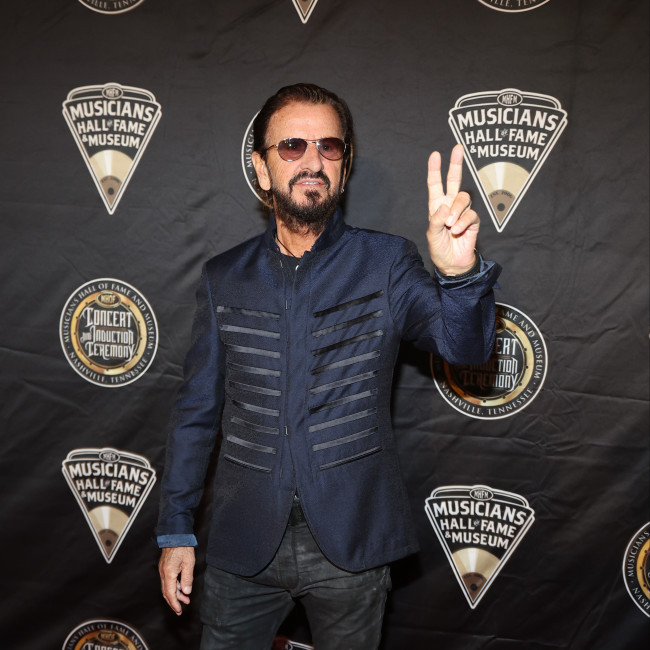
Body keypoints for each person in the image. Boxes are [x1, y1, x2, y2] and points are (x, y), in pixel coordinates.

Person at [156, 82, 501, 650]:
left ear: (344, 165)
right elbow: (195, 414)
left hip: (352, 542)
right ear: (261, 168)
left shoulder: (386, 262)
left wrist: (459, 277)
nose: (313, 161)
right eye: (292, 146)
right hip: (245, 541)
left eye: (330, 147)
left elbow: (465, 349)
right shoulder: (224, 277)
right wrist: (175, 528)